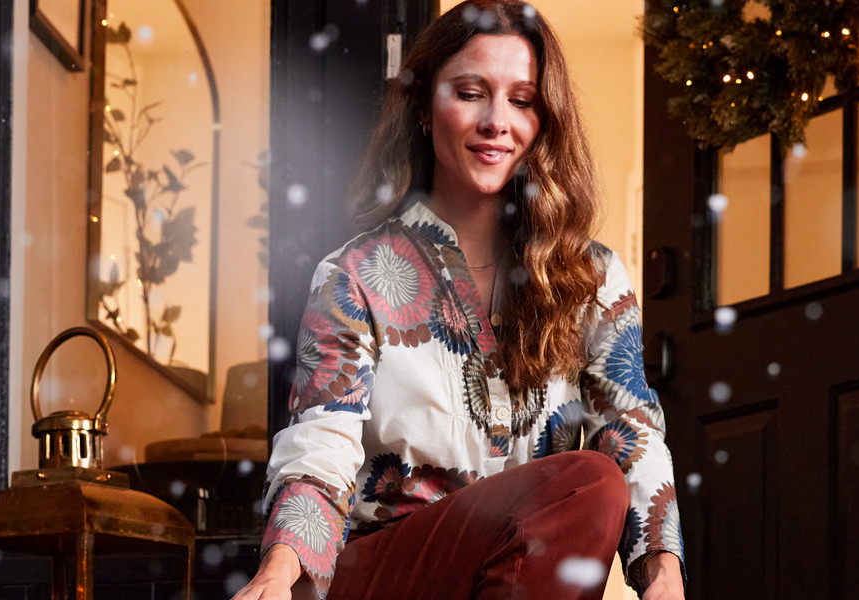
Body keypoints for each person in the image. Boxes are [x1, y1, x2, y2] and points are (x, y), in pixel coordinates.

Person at [233, 1, 683, 598]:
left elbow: (632, 431)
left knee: (593, 482)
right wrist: (277, 572)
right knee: (589, 481)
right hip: (390, 573)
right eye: (471, 92)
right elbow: (321, 447)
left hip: (522, 574)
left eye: (522, 100)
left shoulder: (591, 277)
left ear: (544, 120)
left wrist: (664, 574)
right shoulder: (354, 274)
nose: (498, 121)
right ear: (423, 106)